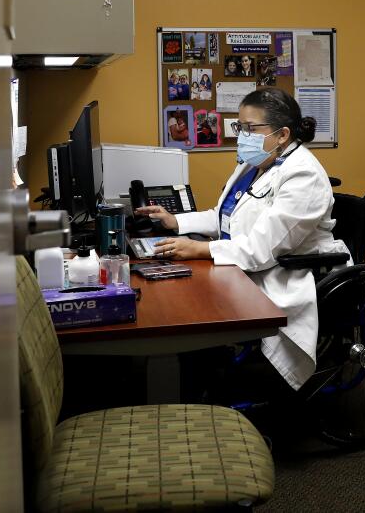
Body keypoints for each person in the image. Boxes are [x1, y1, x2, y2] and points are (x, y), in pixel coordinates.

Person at [135, 87, 349, 390]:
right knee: (182, 296)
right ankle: (197, 377)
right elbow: (223, 217)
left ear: (282, 134)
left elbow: (261, 250)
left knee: (191, 308)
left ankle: (210, 385)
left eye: (250, 128)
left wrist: (200, 248)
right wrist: (175, 221)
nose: (241, 136)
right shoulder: (255, 164)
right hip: (245, 266)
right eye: (240, 127)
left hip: (283, 275)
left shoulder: (304, 176)